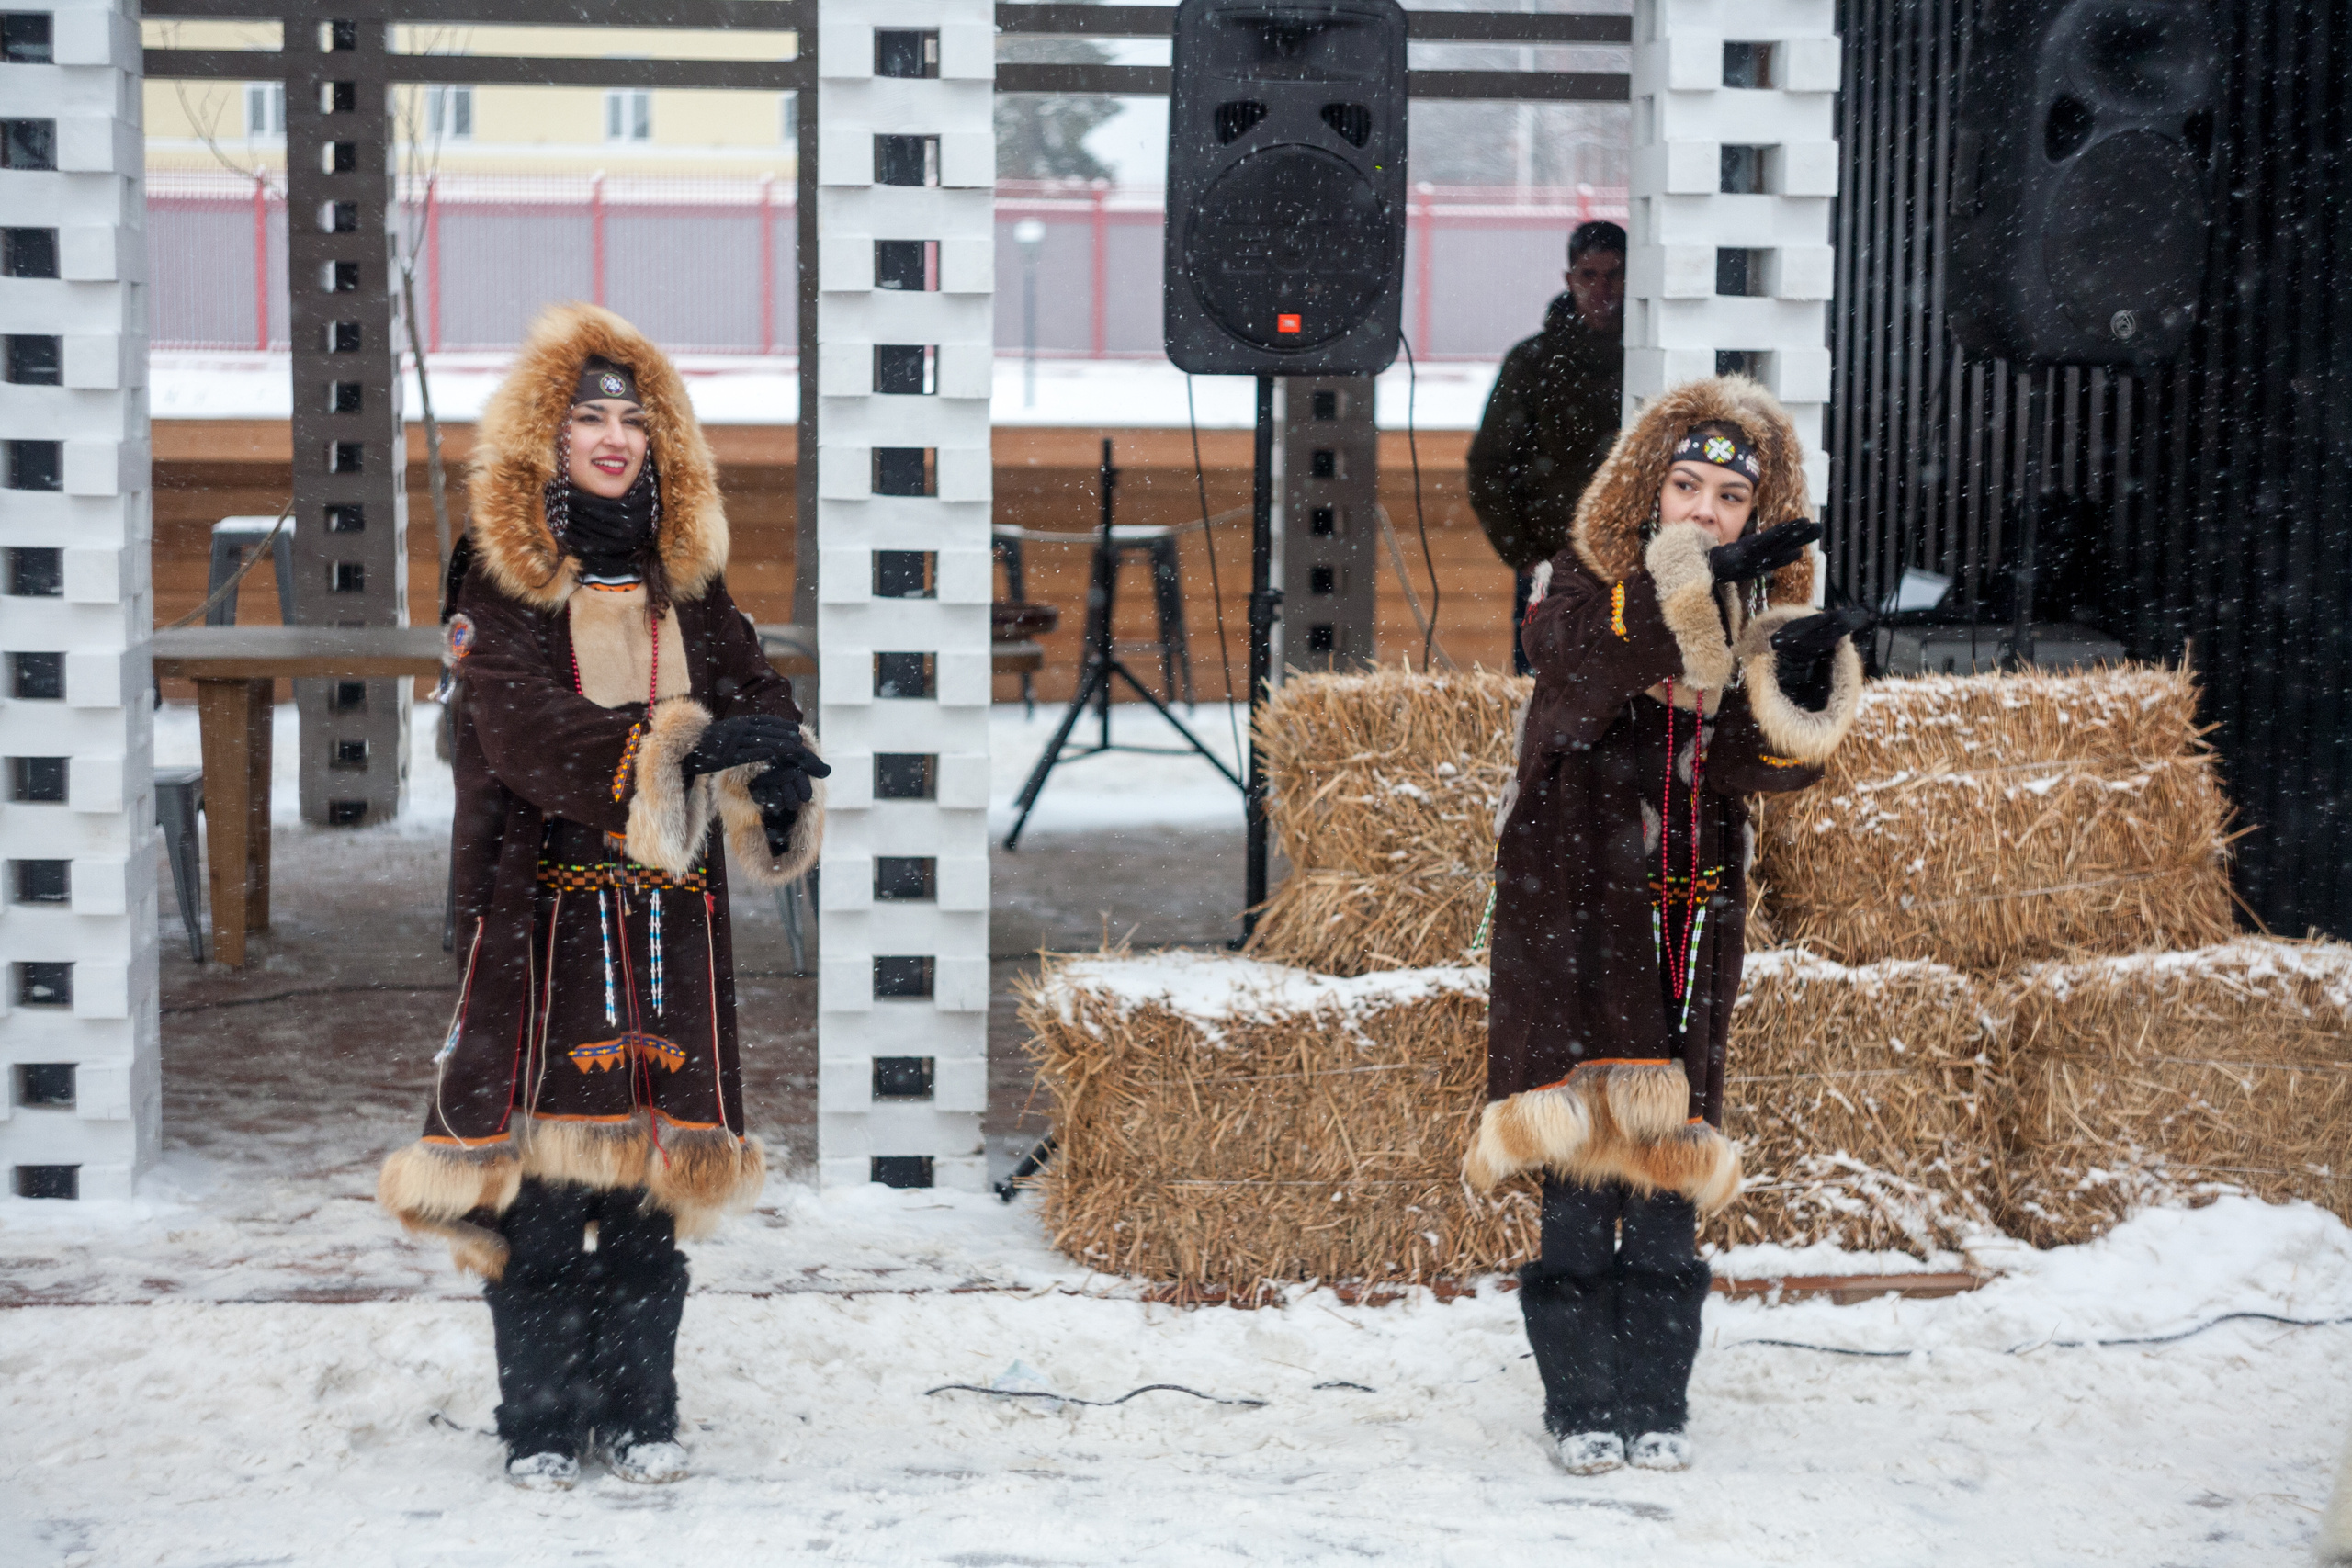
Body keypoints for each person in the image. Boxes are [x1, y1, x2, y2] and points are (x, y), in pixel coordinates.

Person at [377, 303, 829, 1490]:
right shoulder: (501, 576)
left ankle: (640, 1409)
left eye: (634, 418)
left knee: (647, 1193)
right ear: (549, 435)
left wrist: (775, 765)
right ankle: (538, 1419)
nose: (614, 437)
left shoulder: (690, 580)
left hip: (670, 924)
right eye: (589, 417)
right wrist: (677, 747)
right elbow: (521, 727)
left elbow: (749, 684)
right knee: (541, 1187)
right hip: (542, 918)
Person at [1466, 374, 1865, 1475]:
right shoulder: (1577, 587)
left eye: (1730, 499)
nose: (1705, 511)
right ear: (1648, 492)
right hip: (1574, 908)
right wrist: (1681, 592)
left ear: (1755, 512)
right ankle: (1577, 1404)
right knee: (1575, 1169)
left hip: (1687, 908)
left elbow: (1757, 768)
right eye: (1685, 487)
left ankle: (1655, 1400)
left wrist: (1797, 679)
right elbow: (1578, 674)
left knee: (1665, 1180)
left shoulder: (1746, 615)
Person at [1466, 219, 1627, 674]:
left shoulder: (1654, 357)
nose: (1602, 289)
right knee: (1543, 695)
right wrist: (1525, 558)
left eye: (1614, 274)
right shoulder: (1533, 363)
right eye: (1590, 275)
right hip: (1552, 570)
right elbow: (1489, 467)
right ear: (1570, 280)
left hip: (1632, 569)